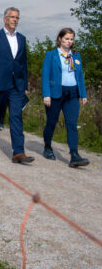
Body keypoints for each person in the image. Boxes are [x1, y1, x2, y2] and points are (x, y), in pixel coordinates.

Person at [0, 7, 34, 163]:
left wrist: (25, 85)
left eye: (17, 17)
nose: (15, 20)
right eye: (12, 17)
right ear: (4, 19)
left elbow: (22, 64)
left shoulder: (22, 38)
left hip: (16, 86)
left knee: (16, 117)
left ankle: (18, 152)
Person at [41, 28, 89, 167]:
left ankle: (74, 155)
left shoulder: (75, 56)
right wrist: (46, 94)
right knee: (51, 123)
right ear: (60, 39)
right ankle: (48, 147)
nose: (69, 42)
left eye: (71, 39)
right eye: (67, 39)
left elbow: (79, 76)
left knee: (72, 125)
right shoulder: (51, 55)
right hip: (55, 94)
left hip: (72, 94)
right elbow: (45, 75)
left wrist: (83, 94)